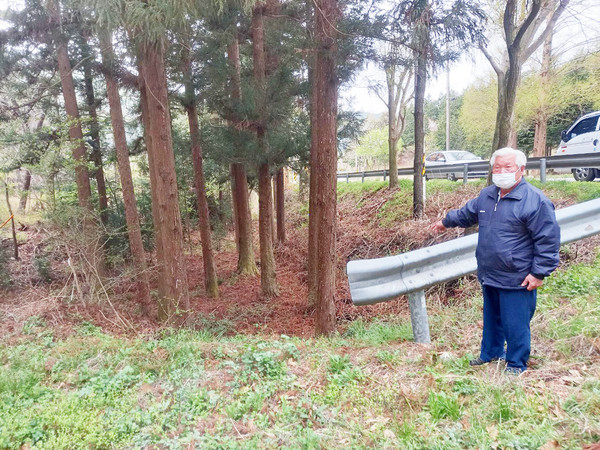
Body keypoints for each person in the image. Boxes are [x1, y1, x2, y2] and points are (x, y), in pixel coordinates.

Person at [431, 147, 560, 374]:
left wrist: (539, 273)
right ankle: (491, 353)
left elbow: (548, 240)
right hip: (490, 271)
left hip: (517, 276)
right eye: (497, 167)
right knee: (492, 318)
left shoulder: (535, 201)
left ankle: (516, 363)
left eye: (508, 167)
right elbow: (466, 213)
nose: (501, 171)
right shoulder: (488, 195)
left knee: (515, 323)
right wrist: (445, 222)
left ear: (521, 169)